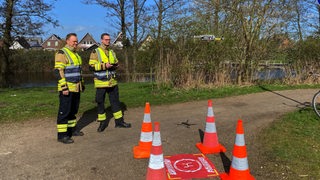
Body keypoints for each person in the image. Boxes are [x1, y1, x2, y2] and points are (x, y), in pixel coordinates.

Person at [89, 33, 131, 132]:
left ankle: (119, 122)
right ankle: (102, 123)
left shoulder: (112, 51)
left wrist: (116, 65)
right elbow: (91, 67)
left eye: (109, 39)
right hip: (101, 82)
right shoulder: (95, 52)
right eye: (106, 39)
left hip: (112, 82)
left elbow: (116, 62)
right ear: (101, 40)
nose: (108, 41)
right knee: (100, 103)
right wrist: (104, 66)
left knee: (115, 102)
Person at [54, 33, 85, 144]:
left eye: (76, 41)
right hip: (67, 88)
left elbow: (78, 72)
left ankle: (72, 130)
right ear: (67, 41)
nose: (75, 43)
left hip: (76, 87)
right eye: (73, 41)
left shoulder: (76, 54)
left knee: (73, 110)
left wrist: (82, 84)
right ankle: (62, 135)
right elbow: (58, 71)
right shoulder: (62, 53)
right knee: (65, 111)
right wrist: (64, 87)